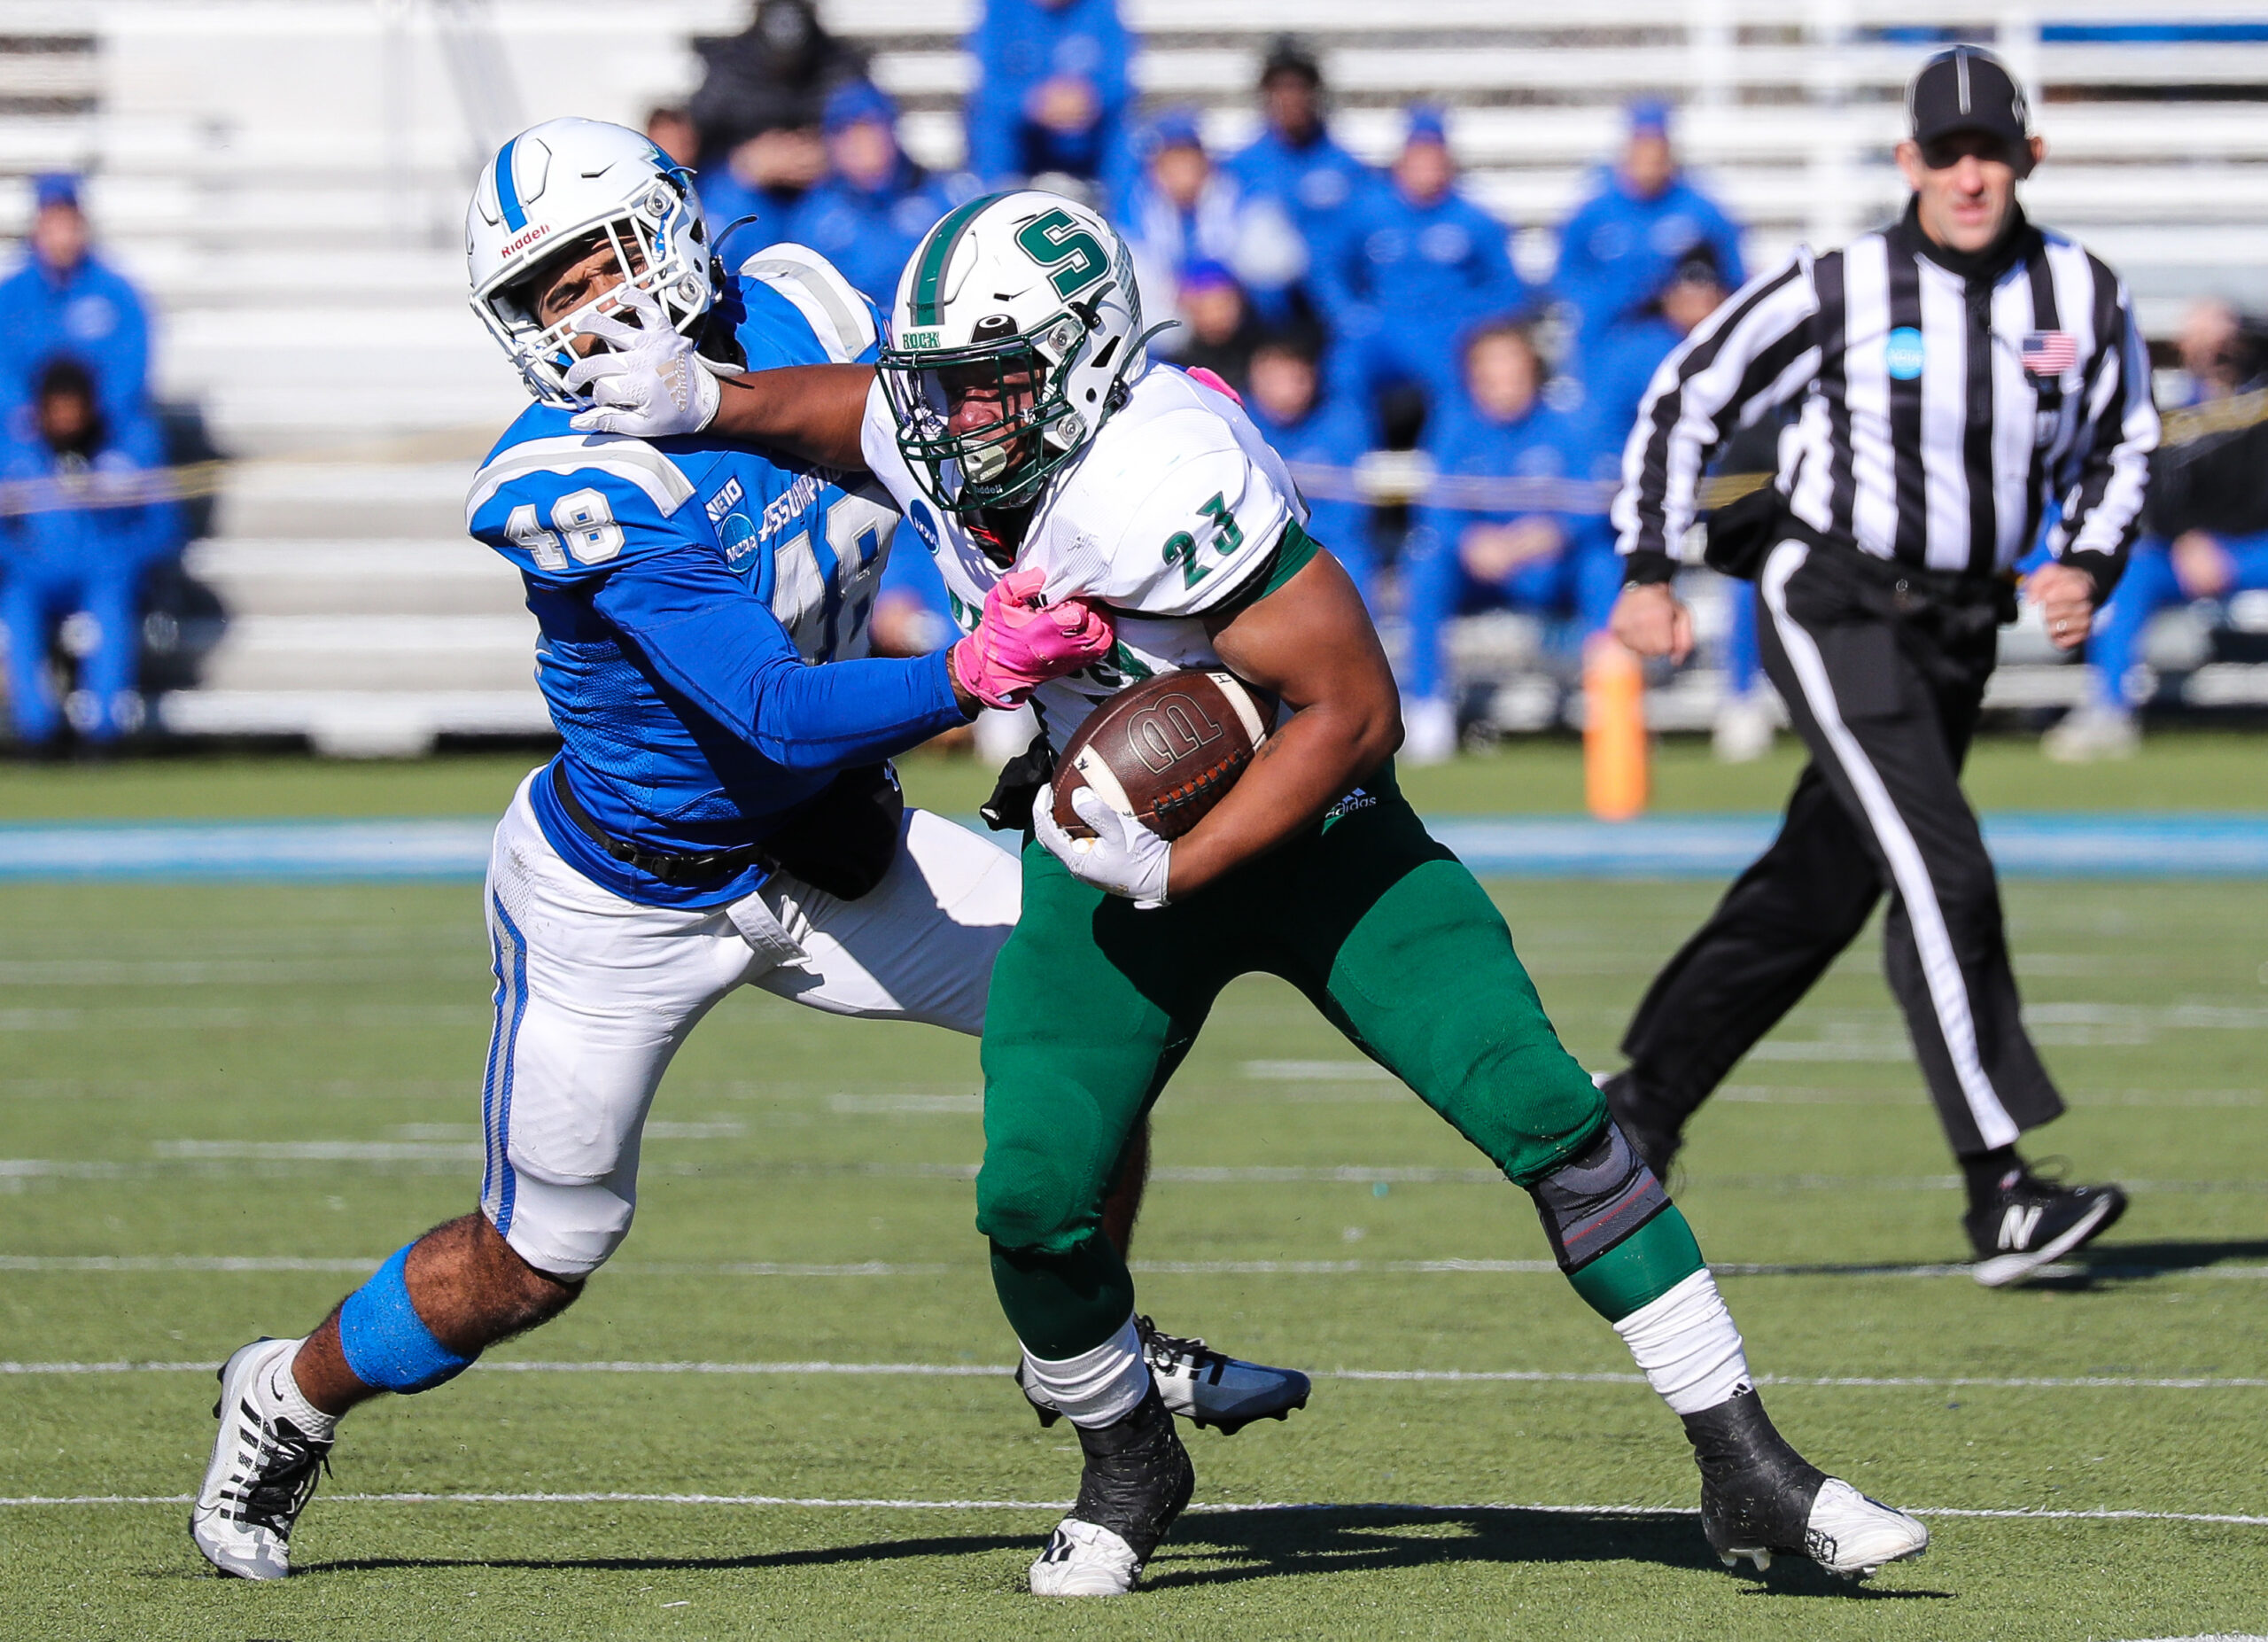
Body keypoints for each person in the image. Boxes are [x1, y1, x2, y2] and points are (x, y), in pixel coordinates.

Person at [580, 188, 1930, 1598]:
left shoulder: (1164, 473)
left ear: (1083, 363)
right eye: (942, 383)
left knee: (1547, 1112)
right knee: (1032, 1196)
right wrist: (705, 396)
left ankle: (1748, 1464)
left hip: (1312, 829)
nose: (952, 417)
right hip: (1100, 843)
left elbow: (1355, 708)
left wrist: (1184, 863)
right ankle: (1128, 1459)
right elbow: (846, 411)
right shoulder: (954, 420)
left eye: (988, 382)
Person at [189, 122, 1302, 1584]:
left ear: (670, 228)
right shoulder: (566, 474)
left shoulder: (804, 311)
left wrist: (1147, 436)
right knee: (536, 1258)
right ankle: (289, 1391)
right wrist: (974, 673)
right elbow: (769, 709)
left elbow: (973, 445)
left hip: (834, 849)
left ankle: (1086, 1342)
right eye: (543, 295)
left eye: (594, 266)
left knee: (1090, 1013)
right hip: (628, 893)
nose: (577, 315)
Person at [1602, 47, 2155, 1288]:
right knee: (1941, 869)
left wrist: (2087, 562)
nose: (1970, 176)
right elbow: (1688, 393)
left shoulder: (2080, 290)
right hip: (1833, 597)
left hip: (1961, 628)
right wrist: (1647, 567)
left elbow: (2124, 442)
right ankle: (1999, 1189)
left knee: (1823, 883)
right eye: (1946, 153)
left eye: (1990, 151)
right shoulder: (1841, 283)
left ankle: (1639, 1108)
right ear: (1909, 161)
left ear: (2028, 158)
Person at [2043, 296, 2268, 761]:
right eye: (2198, 341)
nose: (2211, 352)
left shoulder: (2259, 402)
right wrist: (2187, 539)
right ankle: (2109, 711)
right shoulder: (2175, 417)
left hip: (2255, 549)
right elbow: (2153, 493)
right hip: (2188, 556)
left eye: (2221, 341)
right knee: (2129, 573)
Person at [1582, 248, 1775, 760]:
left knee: (1749, 568)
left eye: (1705, 288)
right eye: (1685, 289)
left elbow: (1768, 438)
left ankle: (1742, 699)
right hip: (1653, 498)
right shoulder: (1634, 351)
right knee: (1604, 567)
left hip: (1731, 500)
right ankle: (1619, 704)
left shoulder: (1750, 344)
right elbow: (1604, 436)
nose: (1694, 300)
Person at [1402, 323, 1617, 763]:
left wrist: (1554, 532)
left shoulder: (1566, 421)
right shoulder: (1455, 424)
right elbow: (1435, 505)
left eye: (1512, 368)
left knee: (1602, 562)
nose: (1503, 383)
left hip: (1551, 569)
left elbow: (1594, 501)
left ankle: (1610, 698)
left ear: (1532, 369)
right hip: (1481, 572)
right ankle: (1428, 707)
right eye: (1491, 371)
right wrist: (1469, 541)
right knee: (1425, 567)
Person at [1311, 107, 1532, 435]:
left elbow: (1508, 287)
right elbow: (1329, 264)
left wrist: (1476, 325)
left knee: (1457, 382)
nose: (1426, 169)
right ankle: (1347, 454)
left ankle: (1449, 456)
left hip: (1447, 328)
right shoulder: (1369, 210)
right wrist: (1348, 312)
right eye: (1418, 158)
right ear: (1402, 161)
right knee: (1345, 370)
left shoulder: (1473, 218)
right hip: (1384, 323)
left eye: (1434, 159)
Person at [0, 356, 182, 752]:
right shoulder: (13, 450)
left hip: (104, 574)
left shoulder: (128, 445)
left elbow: (164, 526)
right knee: (16, 603)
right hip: (33, 575)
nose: (66, 419)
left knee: (111, 602)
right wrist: (17, 558)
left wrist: (122, 558)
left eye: (74, 409)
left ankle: (103, 731)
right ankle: (36, 730)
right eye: (57, 410)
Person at [1554, 100, 1746, 370]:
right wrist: (1603, 301)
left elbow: (1733, 279)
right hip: (1607, 341)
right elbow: (1566, 276)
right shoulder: (1593, 211)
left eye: (1657, 150)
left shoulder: (1702, 211)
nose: (1649, 161)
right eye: (1641, 148)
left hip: (1678, 343)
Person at [788, 81, 982, 309]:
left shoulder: (946, 197)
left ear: (891, 131)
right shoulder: (814, 219)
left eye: (869, 130)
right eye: (845, 133)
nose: (859, 145)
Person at [1117, 109, 1305, 337]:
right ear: (1155, 167)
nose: (1182, 169)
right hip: (1176, 322)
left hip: (1244, 315)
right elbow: (1135, 280)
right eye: (1172, 160)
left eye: (1189, 157)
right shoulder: (1133, 211)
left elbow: (1282, 262)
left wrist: (1222, 285)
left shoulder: (1241, 194)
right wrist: (1186, 295)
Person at [690, 0, 865, 237]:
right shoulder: (726, 71)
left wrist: (834, 156)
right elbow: (695, 156)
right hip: (745, 202)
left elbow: (875, 150)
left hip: (823, 203)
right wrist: (746, 163)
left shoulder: (841, 66)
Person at [0, 174, 151, 429]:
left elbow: (130, 366)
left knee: (135, 447)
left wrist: (90, 416)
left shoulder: (116, 294)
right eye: (53, 224)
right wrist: (31, 414)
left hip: (103, 424)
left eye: (68, 223)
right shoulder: (11, 295)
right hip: (28, 427)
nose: (61, 236)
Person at [1239, 327, 1372, 608]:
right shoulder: (1238, 419)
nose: (1285, 390)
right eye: (1274, 379)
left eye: (1295, 378)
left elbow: (1350, 511)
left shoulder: (1342, 421)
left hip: (1326, 540)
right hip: (1256, 542)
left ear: (1312, 378)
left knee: (1354, 563)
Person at [965, 0, 1134, 197]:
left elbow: (1118, 81)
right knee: (990, 122)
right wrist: (1034, 102)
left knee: (1123, 127)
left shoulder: (1100, 7)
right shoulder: (1001, 8)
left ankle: (1119, 205)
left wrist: (1087, 100)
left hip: (1087, 128)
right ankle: (996, 196)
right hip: (1025, 129)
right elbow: (991, 87)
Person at [1223, 37, 1371, 258]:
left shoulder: (1347, 168)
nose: (1290, 99)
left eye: (1299, 87)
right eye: (1280, 88)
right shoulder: (1239, 168)